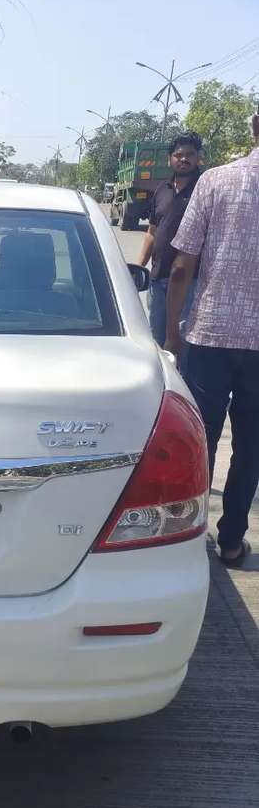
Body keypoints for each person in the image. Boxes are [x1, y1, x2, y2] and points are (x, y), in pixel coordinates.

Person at [166, 111, 259, 567]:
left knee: (199, 439)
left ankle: (187, 533)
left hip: (209, 334)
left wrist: (171, 335)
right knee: (251, 446)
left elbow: (182, 266)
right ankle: (231, 541)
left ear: (254, 124)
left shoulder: (215, 181)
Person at [136, 132, 203, 346]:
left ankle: (181, 380)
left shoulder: (205, 189)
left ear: (198, 158)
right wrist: (137, 267)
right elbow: (152, 232)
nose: (184, 159)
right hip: (158, 279)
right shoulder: (162, 190)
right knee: (156, 341)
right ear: (170, 159)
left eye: (190, 154)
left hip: (190, 282)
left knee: (183, 342)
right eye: (178, 154)